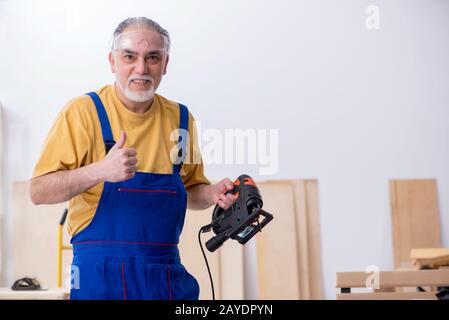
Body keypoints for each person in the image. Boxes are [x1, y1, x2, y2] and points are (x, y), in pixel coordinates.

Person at [30, 17, 237, 300]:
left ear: (165, 64)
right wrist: (100, 171)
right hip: (100, 276)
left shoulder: (181, 120)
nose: (141, 69)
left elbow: (190, 192)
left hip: (164, 276)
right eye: (130, 56)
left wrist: (213, 193)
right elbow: (38, 191)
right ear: (113, 61)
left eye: (152, 57)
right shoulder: (82, 113)